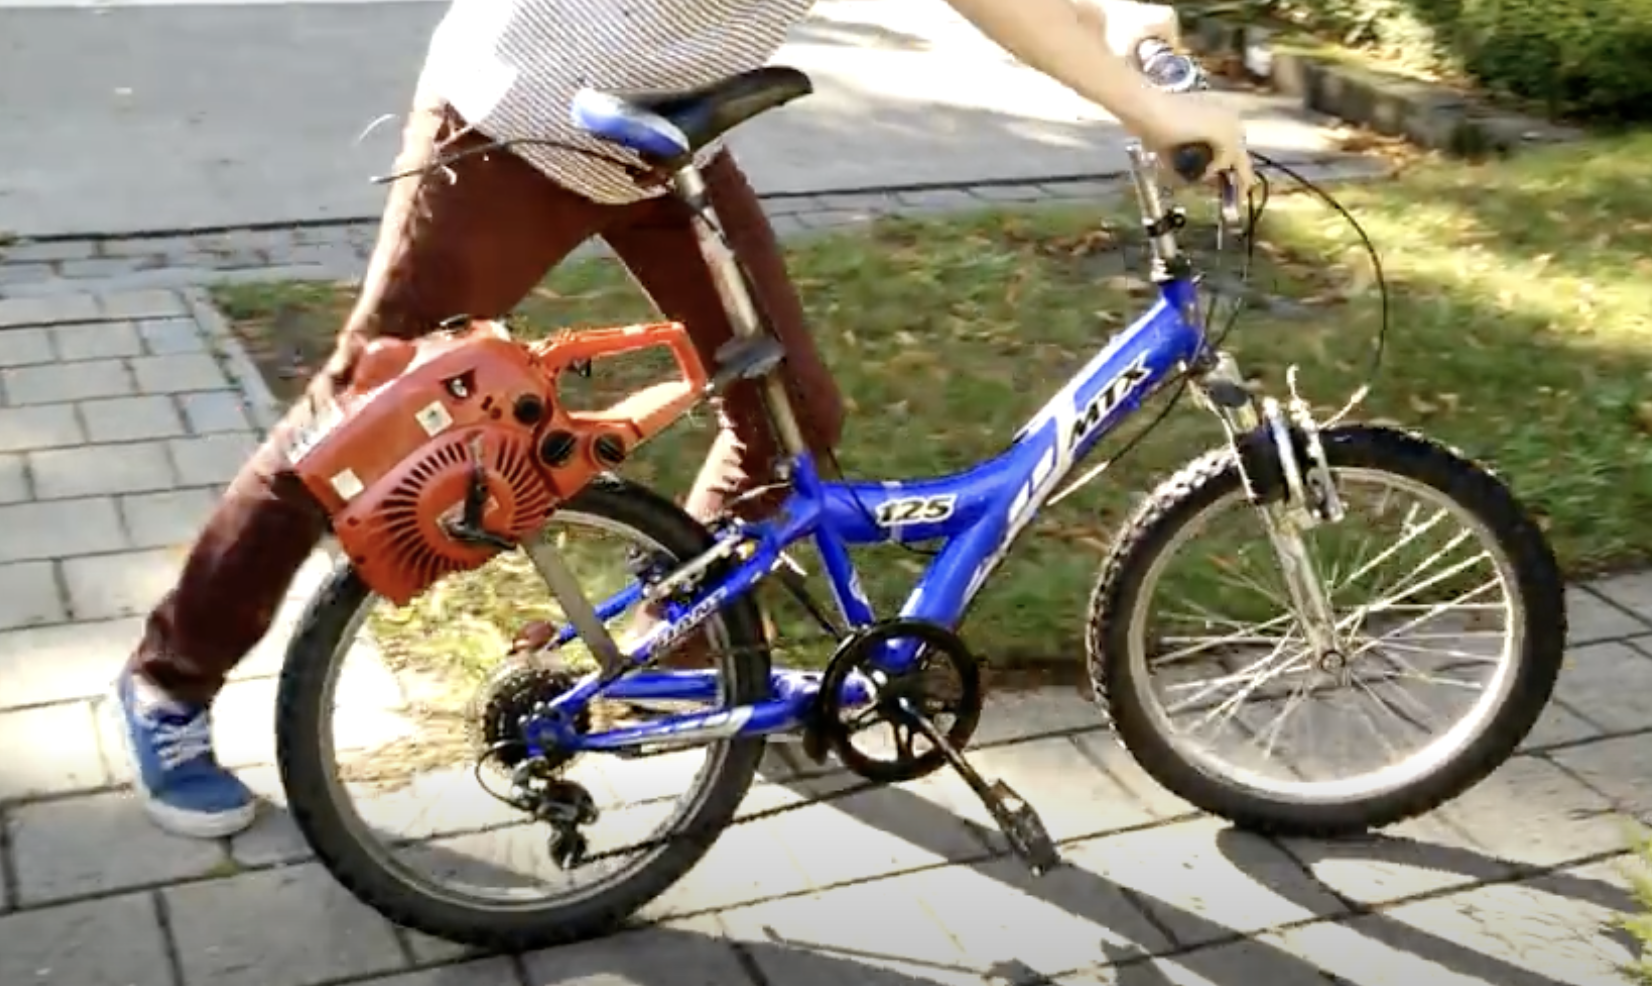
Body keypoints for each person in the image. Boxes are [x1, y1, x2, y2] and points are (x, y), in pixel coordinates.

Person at [112, 0, 1253, 839]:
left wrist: (1145, 37)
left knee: (790, 413)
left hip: (656, 130)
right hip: (523, 111)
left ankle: (670, 655)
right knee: (360, 412)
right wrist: (1150, 108)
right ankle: (170, 680)